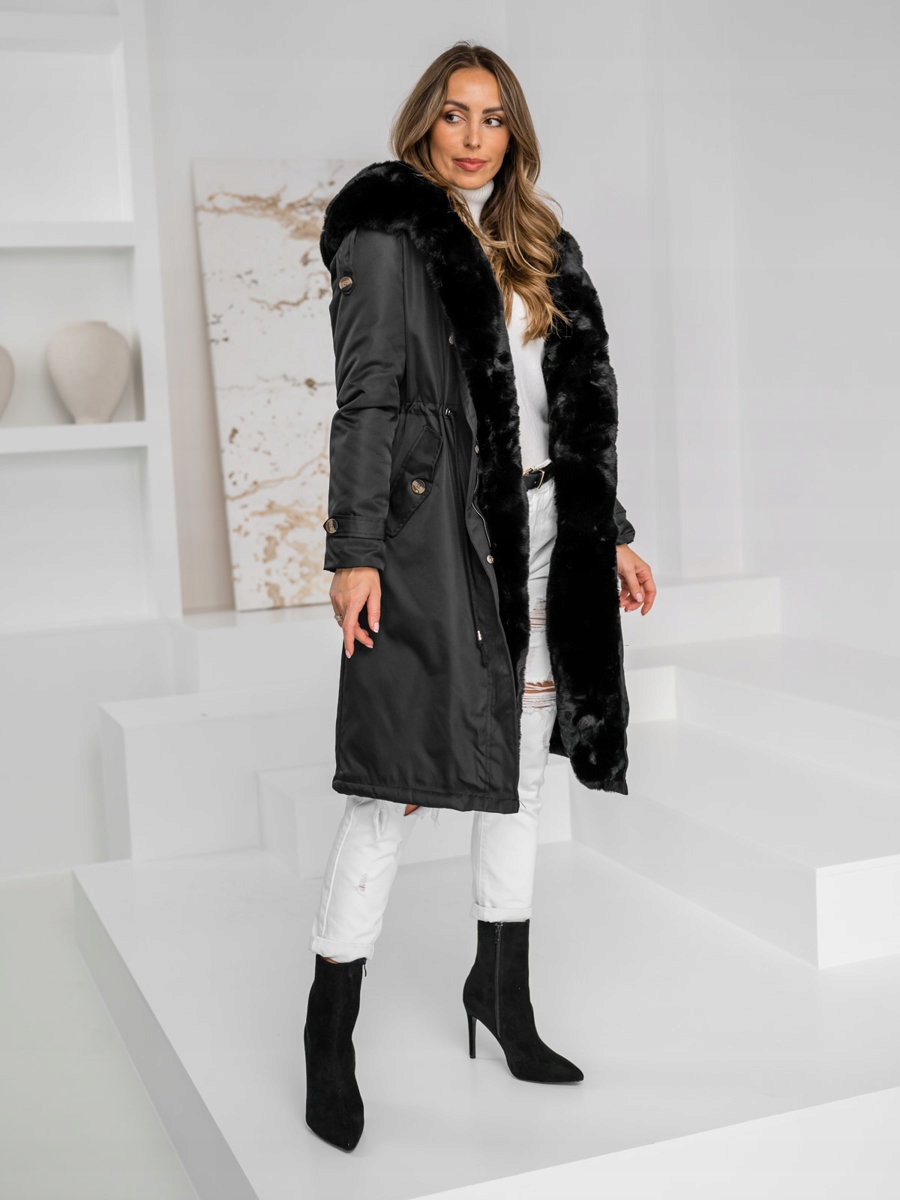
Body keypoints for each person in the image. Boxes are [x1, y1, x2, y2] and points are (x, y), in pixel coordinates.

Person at [303, 41, 657, 1152]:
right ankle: (328, 1035)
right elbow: (367, 401)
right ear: (425, 121)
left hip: (552, 537)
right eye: (454, 113)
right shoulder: (389, 235)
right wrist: (354, 549)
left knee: (520, 774)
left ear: (515, 133)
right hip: (443, 544)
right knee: (390, 788)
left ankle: (500, 995)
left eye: (493, 117)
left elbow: (572, 409)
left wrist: (612, 532)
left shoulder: (540, 243)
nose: (472, 136)